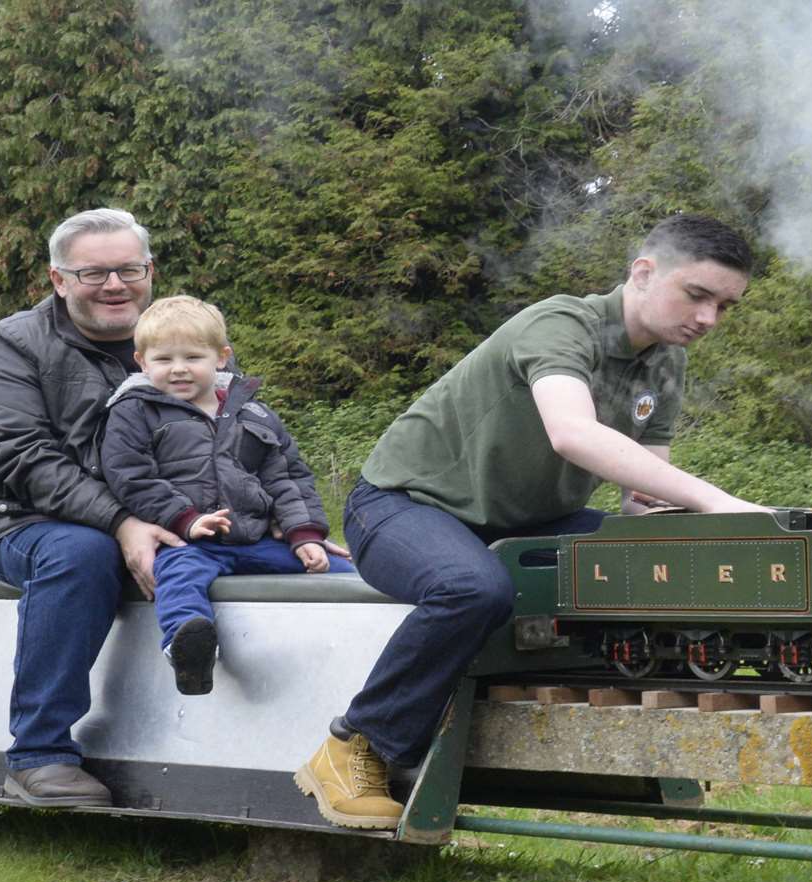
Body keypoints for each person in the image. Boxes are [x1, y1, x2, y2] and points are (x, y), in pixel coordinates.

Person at [294, 213, 767, 829]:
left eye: (725, 307)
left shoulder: (665, 363)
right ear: (643, 273)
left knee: (654, 564)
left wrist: (675, 521)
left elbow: (642, 491)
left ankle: (647, 739)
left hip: (529, 522)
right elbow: (572, 433)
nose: (707, 319)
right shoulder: (561, 323)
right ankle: (355, 746)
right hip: (404, 505)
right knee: (472, 588)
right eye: (697, 296)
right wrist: (716, 499)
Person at [0, 207, 184, 808]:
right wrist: (124, 522)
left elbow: (232, 436)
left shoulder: (178, 341)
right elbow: (20, 459)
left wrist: (293, 525)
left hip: (151, 511)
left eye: (129, 269)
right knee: (81, 552)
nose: (114, 285)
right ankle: (38, 753)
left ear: (150, 270)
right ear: (58, 280)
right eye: (93, 274)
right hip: (18, 517)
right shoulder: (8, 345)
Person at [99, 295, 354, 696]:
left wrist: (303, 533)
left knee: (341, 574)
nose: (179, 369)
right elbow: (131, 477)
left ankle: (356, 658)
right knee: (179, 579)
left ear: (220, 357)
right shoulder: (133, 412)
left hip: (252, 536)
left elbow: (287, 476)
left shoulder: (254, 414)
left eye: (192, 357)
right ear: (142, 362)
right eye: (164, 360)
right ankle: (187, 651)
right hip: (188, 542)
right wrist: (185, 518)